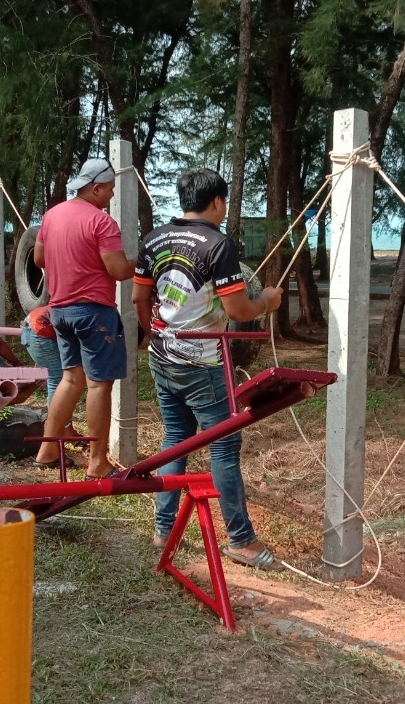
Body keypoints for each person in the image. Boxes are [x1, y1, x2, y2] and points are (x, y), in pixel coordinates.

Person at [132, 168, 284, 570]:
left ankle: (163, 529)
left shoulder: (154, 239)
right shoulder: (217, 244)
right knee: (224, 445)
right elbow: (238, 310)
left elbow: (138, 299)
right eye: (225, 201)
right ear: (216, 201)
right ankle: (242, 540)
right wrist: (267, 301)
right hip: (202, 363)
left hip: (162, 357)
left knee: (176, 439)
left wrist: (157, 336)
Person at [32, 159, 135, 477]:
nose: (111, 196)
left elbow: (38, 258)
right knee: (99, 384)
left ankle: (47, 450)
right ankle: (98, 462)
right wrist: (144, 262)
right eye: (110, 190)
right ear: (96, 188)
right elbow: (119, 270)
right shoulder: (101, 222)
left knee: (70, 379)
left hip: (60, 311)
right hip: (93, 313)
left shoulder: (52, 215)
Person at [22, 304, 86, 442]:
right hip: (39, 329)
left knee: (66, 379)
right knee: (60, 380)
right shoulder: (87, 315)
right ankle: (60, 429)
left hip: (39, 326)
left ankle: (59, 429)